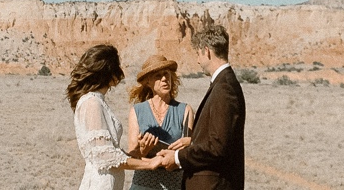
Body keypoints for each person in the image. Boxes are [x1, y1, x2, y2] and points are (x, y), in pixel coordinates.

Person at [68, 44, 172, 190]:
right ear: (109, 72)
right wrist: (149, 163)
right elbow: (105, 156)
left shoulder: (96, 101)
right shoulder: (92, 103)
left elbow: (109, 152)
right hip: (101, 184)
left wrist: (138, 153)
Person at [164, 23, 244, 190]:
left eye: (198, 54)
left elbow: (216, 147)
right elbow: (221, 135)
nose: (197, 60)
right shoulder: (223, 83)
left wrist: (178, 157)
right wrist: (193, 141)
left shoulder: (224, 88)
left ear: (206, 51)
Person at [125, 54, 195, 190]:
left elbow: (189, 152)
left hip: (172, 184)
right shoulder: (137, 111)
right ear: (148, 82)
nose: (164, 79)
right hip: (143, 184)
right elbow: (132, 156)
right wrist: (144, 151)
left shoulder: (185, 110)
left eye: (166, 74)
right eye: (158, 76)